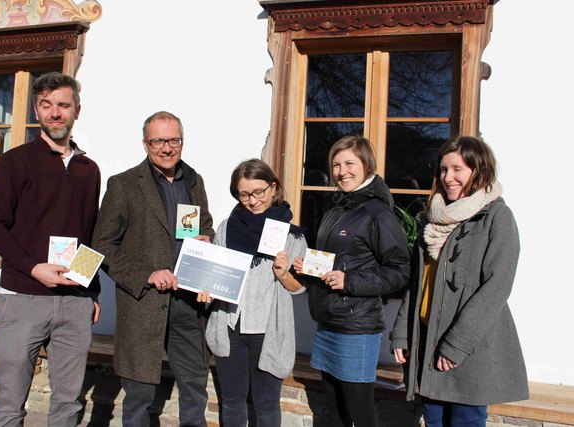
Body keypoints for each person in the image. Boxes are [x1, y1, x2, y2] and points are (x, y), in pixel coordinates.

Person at [0, 71, 101, 426]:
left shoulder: (88, 170)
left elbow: (89, 234)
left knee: (68, 405)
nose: (55, 113)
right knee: (9, 404)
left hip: (75, 302)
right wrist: (33, 267)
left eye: (63, 105)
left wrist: (91, 291)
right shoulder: (15, 162)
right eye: (46, 105)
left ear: (77, 110)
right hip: (22, 298)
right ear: (36, 110)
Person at [390, 136, 528, 427]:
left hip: (468, 349)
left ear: (478, 170)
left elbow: (496, 286)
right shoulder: (431, 220)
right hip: (427, 342)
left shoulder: (496, 217)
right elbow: (419, 283)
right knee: (435, 422)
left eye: (457, 169)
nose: (447, 178)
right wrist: (402, 333)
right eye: (443, 169)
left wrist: (456, 345)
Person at [92, 111, 214, 427]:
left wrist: (206, 237)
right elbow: (102, 245)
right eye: (158, 140)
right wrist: (146, 273)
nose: (167, 148)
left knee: (194, 388)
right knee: (139, 396)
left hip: (188, 303)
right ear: (146, 144)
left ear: (182, 142)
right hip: (144, 303)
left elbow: (204, 224)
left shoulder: (193, 179)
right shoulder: (124, 185)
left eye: (174, 140)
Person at [293, 135, 410, 427]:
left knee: (359, 413)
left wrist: (350, 281)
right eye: (336, 164)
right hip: (328, 322)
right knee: (332, 411)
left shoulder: (379, 214)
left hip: (356, 328)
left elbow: (399, 271)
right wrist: (307, 267)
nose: (341, 171)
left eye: (349, 163)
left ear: (367, 166)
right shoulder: (336, 210)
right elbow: (336, 259)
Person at [200, 159, 307, 426]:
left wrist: (283, 275)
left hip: (269, 330)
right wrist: (208, 290)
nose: (253, 200)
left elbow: (300, 287)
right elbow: (217, 275)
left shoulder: (291, 235)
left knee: (266, 404)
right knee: (233, 401)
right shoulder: (227, 227)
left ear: (273, 188)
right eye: (244, 194)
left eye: (259, 191)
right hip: (230, 325)